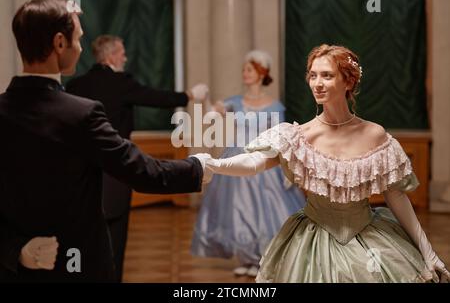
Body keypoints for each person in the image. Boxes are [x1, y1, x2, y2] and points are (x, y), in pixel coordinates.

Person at [193, 44, 450, 282]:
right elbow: (254, 162)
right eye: (312, 75)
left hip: (369, 240)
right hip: (311, 241)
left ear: (348, 81)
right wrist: (212, 164)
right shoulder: (299, 136)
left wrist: (428, 252)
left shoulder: (375, 135)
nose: (317, 83)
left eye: (326, 75)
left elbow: (396, 197)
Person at [0, 0, 205, 282]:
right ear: (60, 43)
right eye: (78, 38)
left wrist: (16, 250)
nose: (81, 46)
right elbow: (143, 171)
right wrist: (201, 167)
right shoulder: (80, 113)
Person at [66, 35, 208, 282]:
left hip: (81, 174)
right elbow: (156, 98)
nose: (125, 57)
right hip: (115, 171)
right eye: (121, 52)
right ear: (110, 56)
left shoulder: (75, 85)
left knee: (85, 236)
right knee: (115, 238)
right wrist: (189, 95)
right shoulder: (121, 82)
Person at [191, 50, 306, 277]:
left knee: (267, 211)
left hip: (264, 161)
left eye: (249, 69)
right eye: (244, 69)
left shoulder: (275, 106)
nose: (244, 73)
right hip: (238, 158)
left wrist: (287, 168)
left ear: (262, 73)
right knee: (239, 210)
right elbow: (209, 116)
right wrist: (203, 98)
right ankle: (247, 257)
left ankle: (263, 258)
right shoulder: (235, 102)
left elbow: (282, 137)